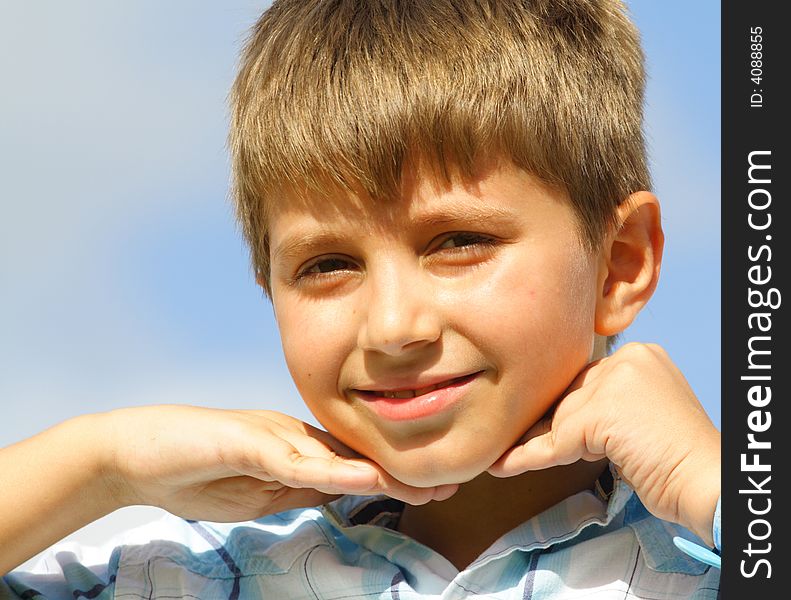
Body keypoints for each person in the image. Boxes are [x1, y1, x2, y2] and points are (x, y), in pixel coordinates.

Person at [1, 0, 721, 597]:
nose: (391, 327)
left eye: (457, 241)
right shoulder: (190, 579)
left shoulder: (710, 555)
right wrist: (99, 464)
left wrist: (717, 487)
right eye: (328, 264)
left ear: (618, 266)